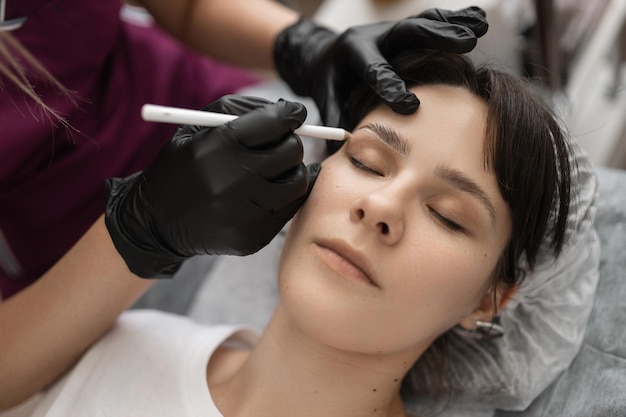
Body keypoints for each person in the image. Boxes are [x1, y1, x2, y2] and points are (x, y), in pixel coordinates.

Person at [0, 50, 574, 416]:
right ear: (304, 182)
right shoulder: (121, 342)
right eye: (370, 163)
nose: (381, 205)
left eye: (448, 214)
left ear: (490, 299)